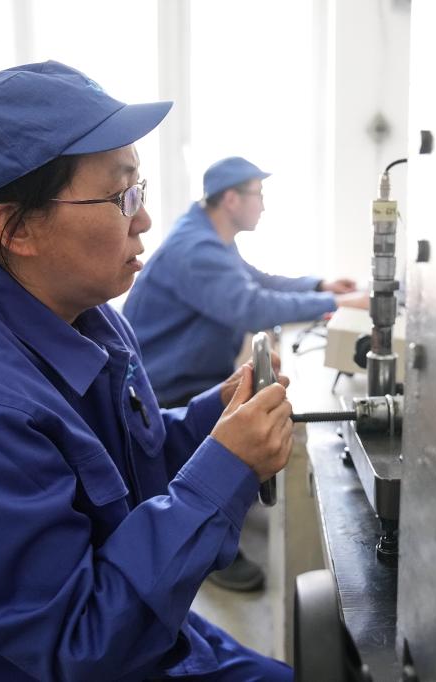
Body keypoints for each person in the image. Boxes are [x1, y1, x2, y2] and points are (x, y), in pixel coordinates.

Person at [0, 61, 294, 681]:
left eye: (140, 187)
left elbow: (129, 467)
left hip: (130, 627)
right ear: (16, 227)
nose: (143, 219)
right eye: (120, 196)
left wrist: (215, 421)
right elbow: (80, 643)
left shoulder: (87, 318)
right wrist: (227, 469)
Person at [124, 157, 365, 592]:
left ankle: (223, 501)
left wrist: (318, 286)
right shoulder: (196, 250)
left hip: (192, 374)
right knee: (235, 429)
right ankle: (208, 544)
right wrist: (336, 306)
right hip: (167, 388)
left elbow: (258, 281)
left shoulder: (212, 239)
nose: (264, 206)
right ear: (232, 199)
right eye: (259, 195)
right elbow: (252, 306)